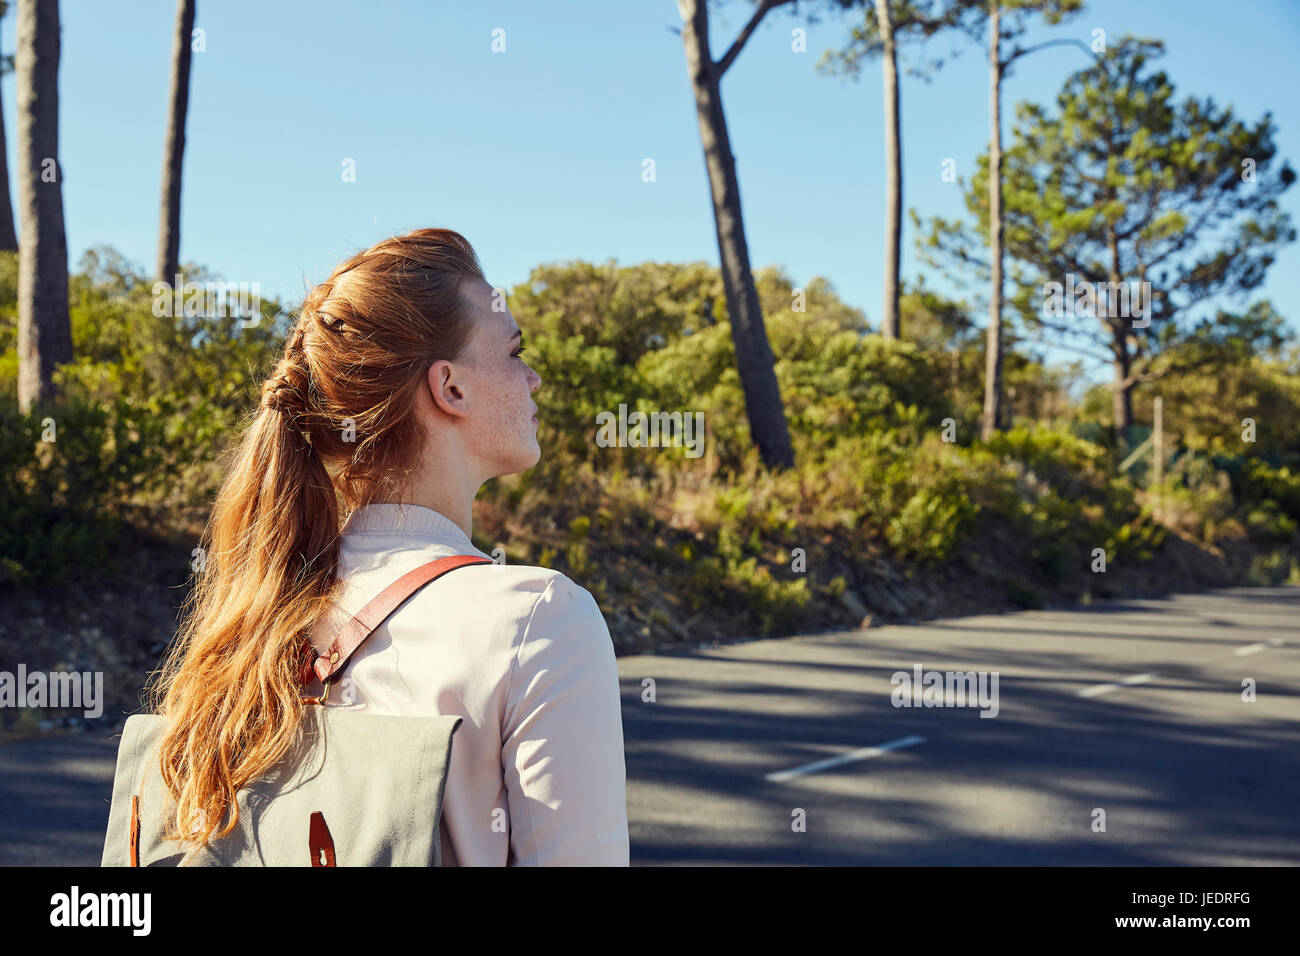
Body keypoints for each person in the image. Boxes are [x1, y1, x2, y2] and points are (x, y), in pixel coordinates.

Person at [145, 227, 629, 866]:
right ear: (449, 387)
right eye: (514, 352)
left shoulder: (254, 616)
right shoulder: (540, 619)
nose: (533, 377)